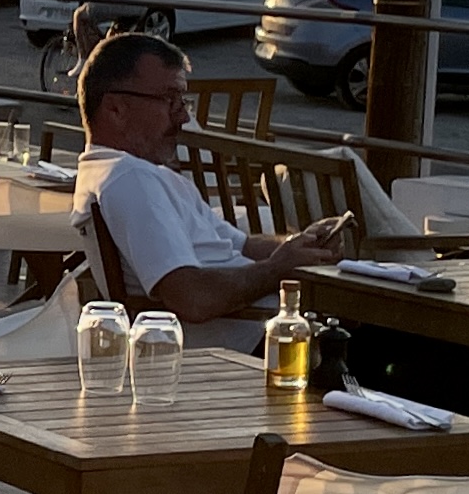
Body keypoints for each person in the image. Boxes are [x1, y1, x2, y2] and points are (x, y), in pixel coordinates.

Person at [72, 26, 345, 339]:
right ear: (116, 108)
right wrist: (276, 270)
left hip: (271, 329)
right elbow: (192, 300)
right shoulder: (129, 179)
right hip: (259, 346)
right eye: (169, 101)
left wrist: (301, 246)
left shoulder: (147, 175)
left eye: (182, 101)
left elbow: (242, 245)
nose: (183, 117)